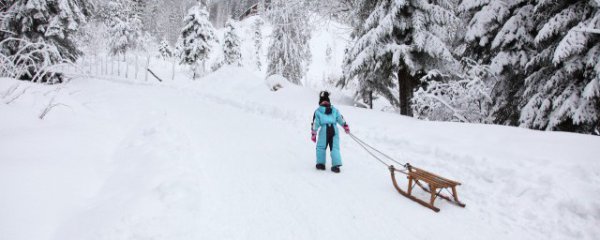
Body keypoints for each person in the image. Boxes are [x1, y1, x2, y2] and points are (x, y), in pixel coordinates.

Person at [311, 91, 350, 173]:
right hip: (334, 129)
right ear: (329, 101)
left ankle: (321, 164)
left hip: (324, 129)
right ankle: (336, 165)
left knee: (321, 147)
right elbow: (340, 118)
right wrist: (345, 126)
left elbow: (315, 123)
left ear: (320, 101)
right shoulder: (334, 110)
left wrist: (314, 133)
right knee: (334, 147)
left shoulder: (318, 111)